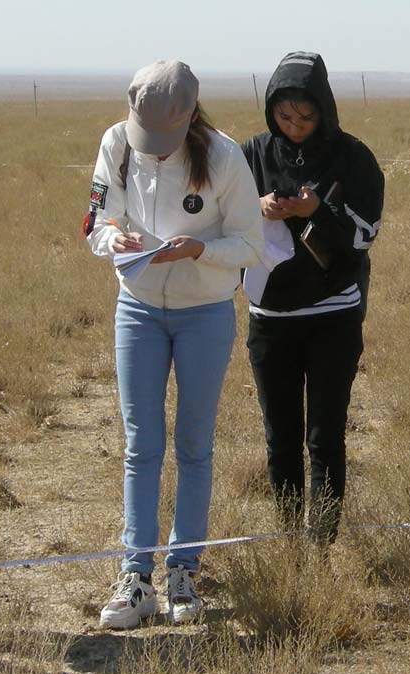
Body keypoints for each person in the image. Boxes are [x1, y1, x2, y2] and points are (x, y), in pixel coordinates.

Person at [85, 61, 263, 628]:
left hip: (204, 314)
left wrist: (197, 251)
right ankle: (134, 576)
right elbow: (94, 222)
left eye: (166, 142)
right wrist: (115, 236)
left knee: (193, 442)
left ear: (190, 118)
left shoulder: (226, 157)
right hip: (136, 309)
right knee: (141, 443)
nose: (155, 152)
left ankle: (182, 571)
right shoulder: (115, 144)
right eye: (147, 141)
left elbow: (248, 245)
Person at [241, 52, 384, 544]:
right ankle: (288, 546)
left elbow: (367, 234)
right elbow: (218, 220)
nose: (295, 126)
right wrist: (255, 209)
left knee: (324, 439)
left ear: (325, 109)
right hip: (269, 320)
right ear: (270, 110)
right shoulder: (250, 155)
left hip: (333, 318)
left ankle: (320, 548)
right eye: (284, 116)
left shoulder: (354, 156)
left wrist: (320, 209)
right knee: (280, 439)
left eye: (306, 117)